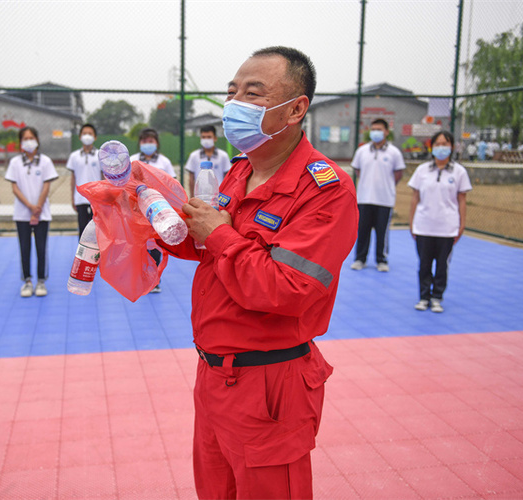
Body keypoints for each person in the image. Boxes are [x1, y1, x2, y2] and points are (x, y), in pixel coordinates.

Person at [161, 46, 358, 499]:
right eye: (231, 92)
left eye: (253, 93)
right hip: (212, 376)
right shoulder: (239, 172)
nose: (234, 104)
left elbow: (285, 289)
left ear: (295, 109)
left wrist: (221, 235)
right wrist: (155, 223)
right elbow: (212, 251)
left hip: (269, 385)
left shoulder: (325, 190)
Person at [408, 130, 472, 313]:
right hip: (424, 226)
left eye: (445, 144)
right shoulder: (422, 170)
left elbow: (462, 200)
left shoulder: (459, 172)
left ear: (451, 147)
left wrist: (461, 224)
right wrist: (411, 222)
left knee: (442, 265)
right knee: (424, 264)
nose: (441, 148)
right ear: (431, 147)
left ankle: (437, 297)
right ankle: (423, 297)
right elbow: (415, 198)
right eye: (437, 144)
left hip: (447, 228)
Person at [4, 126, 58, 298]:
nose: (28, 141)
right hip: (22, 214)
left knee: (41, 248)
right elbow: (14, 187)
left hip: (42, 213)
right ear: (20, 143)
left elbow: (46, 186)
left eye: (31, 138)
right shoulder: (15, 163)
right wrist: (29, 206)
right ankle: (27, 281)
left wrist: (38, 208)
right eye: (24, 138)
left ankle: (41, 281)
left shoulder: (46, 162)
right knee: (24, 248)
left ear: (37, 140)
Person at [349, 118, 406, 272]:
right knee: (362, 231)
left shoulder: (394, 152)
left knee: (382, 232)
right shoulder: (362, 151)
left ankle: (382, 260)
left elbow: (398, 173)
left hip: (385, 200)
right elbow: (358, 170)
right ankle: (360, 259)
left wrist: (386, 186)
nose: (376, 132)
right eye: (373, 129)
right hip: (364, 198)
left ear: (387, 132)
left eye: (379, 129)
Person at [130, 127, 176, 293]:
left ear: (156, 143)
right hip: (137, 208)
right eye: (144, 141)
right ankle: (140, 277)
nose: (147, 144)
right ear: (139, 143)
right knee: (139, 244)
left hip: (158, 208)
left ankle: (155, 280)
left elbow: (172, 184)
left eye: (151, 141)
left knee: (155, 243)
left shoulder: (164, 162)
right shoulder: (133, 161)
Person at [66, 123, 101, 237]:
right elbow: (73, 177)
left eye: (90, 134)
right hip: (80, 198)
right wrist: (72, 197)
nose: (87, 136)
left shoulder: (100, 155)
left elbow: (103, 177)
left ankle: (97, 255)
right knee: (82, 230)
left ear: (95, 137)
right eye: (84, 133)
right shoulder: (74, 156)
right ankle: (82, 255)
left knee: (97, 230)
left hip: (96, 199)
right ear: (80, 136)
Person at [184, 124, 230, 195]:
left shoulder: (223, 156)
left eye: (209, 137)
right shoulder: (194, 156)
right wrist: (192, 196)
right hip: (200, 195)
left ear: (215, 138)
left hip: (218, 196)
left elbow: (227, 178)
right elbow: (191, 179)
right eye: (203, 137)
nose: (206, 140)